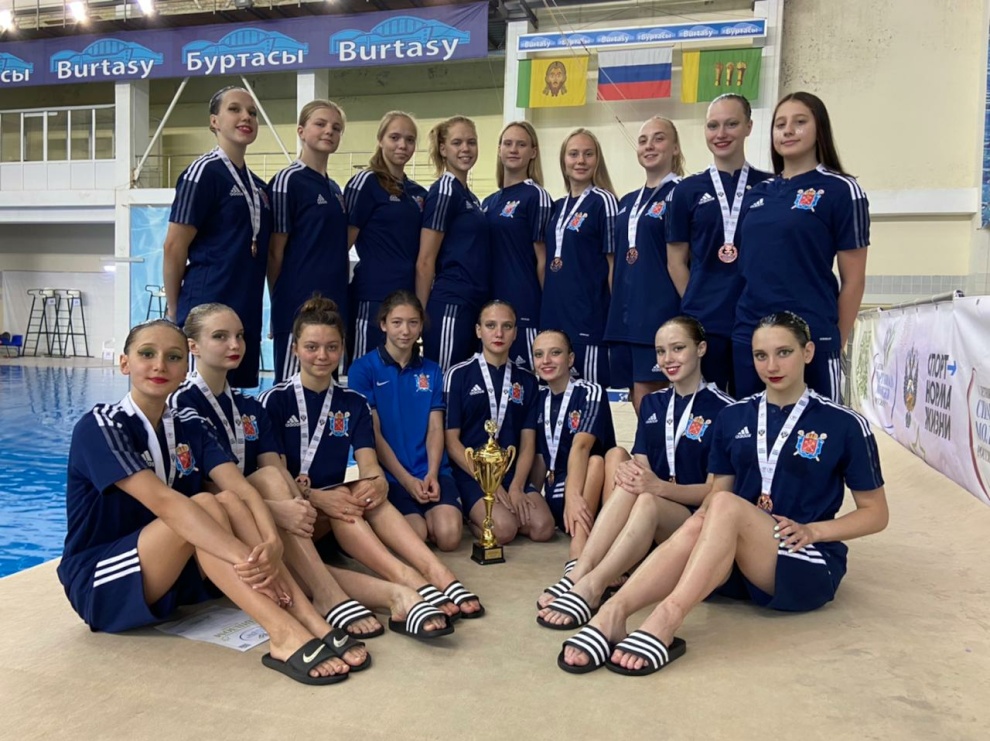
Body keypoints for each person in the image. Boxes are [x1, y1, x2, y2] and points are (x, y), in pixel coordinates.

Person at [557, 312, 888, 675]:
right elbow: (716, 497)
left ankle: (667, 617)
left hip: (803, 558)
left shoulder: (844, 424)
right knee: (710, 511)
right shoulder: (735, 417)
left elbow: (876, 513)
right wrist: (690, 520)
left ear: (807, 352)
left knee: (725, 505)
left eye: (784, 352)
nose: (771, 366)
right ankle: (612, 611)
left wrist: (815, 531)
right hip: (733, 561)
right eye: (761, 355)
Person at [57, 319, 367, 686]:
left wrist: (271, 544)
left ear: (185, 366)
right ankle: (282, 632)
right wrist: (249, 560)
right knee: (203, 504)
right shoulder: (102, 426)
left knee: (226, 500)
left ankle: (310, 618)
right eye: (147, 354)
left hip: (175, 574)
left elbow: (243, 490)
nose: (160, 365)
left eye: (173, 357)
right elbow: (167, 504)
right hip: (103, 581)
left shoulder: (189, 422)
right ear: (125, 363)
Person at [172, 302, 436, 640]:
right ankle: (351, 591)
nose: (235, 344)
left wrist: (298, 501)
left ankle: (400, 591)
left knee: (283, 485)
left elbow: (274, 469)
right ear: (193, 346)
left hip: (258, 519)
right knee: (292, 532)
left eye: (239, 336)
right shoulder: (182, 405)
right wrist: (278, 509)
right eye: (220, 337)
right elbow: (190, 491)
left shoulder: (247, 405)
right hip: (214, 529)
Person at [260, 296, 484, 632]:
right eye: (312, 347)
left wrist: (376, 483)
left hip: (331, 515)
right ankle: (406, 579)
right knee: (339, 499)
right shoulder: (273, 400)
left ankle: (435, 573)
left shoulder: (353, 403)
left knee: (361, 493)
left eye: (332, 347)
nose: (322, 356)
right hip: (291, 514)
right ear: (295, 349)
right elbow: (274, 475)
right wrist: (318, 497)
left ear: (342, 349)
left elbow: (369, 465)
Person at [537, 317, 732, 629]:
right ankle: (580, 572)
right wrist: (635, 473)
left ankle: (593, 585)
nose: (668, 359)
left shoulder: (726, 409)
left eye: (678, 348)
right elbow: (641, 466)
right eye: (661, 351)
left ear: (701, 349)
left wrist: (658, 487)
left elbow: (717, 493)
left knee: (647, 498)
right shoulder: (652, 403)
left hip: (696, 521)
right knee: (630, 478)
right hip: (654, 515)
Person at [732, 92, 870, 401]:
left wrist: (834, 339)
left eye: (799, 122)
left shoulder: (841, 190)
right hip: (751, 334)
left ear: (819, 128)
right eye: (780, 124)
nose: (788, 131)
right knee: (755, 426)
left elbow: (854, 280)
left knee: (816, 427)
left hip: (810, 334)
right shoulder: (757, 194)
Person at [163, 86, 271, 388]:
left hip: (244, 308)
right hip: (206, 306)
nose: (246, 117)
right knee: (196, 398)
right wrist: (176, 311)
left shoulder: (259, 187)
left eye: (252, 113)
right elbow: (173, 246)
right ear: (214, 121)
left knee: (232, 399)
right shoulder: (203, 173)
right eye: (234, 109)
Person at [666, 94, 773, 395]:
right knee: (707, 407)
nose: (721, 133)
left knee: (752, 404)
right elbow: (676, 260)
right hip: (705, 322)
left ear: (749, 126)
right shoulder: (686, 191)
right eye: (713, 126)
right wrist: (697, 302)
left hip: (756, 318)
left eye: (731, 124)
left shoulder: (770, 187)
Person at [347, 291, 464, 551]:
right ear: (383, 324)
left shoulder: (432, 370)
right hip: (391, 475)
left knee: (449, 537)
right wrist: (406, 480)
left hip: (430, 470)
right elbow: (373, 433)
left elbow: (436, 428)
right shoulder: (362, 369)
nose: (405, 330)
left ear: (421, 326)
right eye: (397, 322)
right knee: (416, 535)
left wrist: (432, 473)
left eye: (413, 323)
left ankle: (442, 511)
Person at [444, 301, 553, 545]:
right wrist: (488, 482)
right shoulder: (458, 374)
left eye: (507, 326)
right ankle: (471, 517)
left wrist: (516, 487)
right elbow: (451, 442)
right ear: (478, 330)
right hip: (471, 474)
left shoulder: (527, 380)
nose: (499, 333)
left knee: (543, 529)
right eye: (491, 325)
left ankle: (506, 510)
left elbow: (528, 443)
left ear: (515, 333)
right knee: (503, 531)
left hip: (511, 473)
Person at [267, 100, 351, 383]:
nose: (329, 131)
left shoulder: (335, 189)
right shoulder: (287, 181)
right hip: (297, 304)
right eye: (320, 124)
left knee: (327, 387)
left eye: (336, 128)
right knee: (292, 389)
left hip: (333, 304)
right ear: (301, 130)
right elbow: (274, 254)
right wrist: (280, 307)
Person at [606, 116, 685, 412]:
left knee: (651, 394)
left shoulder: (682, 193)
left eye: (659, 138)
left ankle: (659, 444)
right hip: (625, 315)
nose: (649, 145)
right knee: (634, 393)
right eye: (643, 140)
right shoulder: (627, 201)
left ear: (675, 148)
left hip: (658, 314)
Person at [530, 330, 615, 574]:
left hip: (588, 492)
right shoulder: (538, 397)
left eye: (555, 353)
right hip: (558, 495)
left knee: (599, 460)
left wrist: (573, 494)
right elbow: (539, 455)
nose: (546, 360)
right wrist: (532, 495)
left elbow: (582, 446)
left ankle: (579, 550)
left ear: (570, 359)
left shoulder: (590, 392)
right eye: (539, 355)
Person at [346, 112, 427, 360]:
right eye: (395, 137)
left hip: (407, 298)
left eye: (409, 140)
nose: (402, 145)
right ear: (380, 139)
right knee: (368, 371)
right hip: (372, 298)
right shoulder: (366, 183)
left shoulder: (418, 193)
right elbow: (341, 245)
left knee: (400, 370)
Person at [540, 128, 618, 387]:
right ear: (563, 160)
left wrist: (614, 320)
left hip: (589, 322)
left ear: (598, 159)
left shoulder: (603, 201)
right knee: (555, 397)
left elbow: (614, 266)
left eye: (588, 154)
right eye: (573, 154)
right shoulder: (556, 207)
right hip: (554, 320)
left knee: (591, 397)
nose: (580, 161)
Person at [416, 116, 491, 372]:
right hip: (451, 303)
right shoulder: (445, 190)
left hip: (473, 303)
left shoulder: (470, 196)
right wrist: (420, 315)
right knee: (446, 381)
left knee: (465, 383)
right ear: (443, 149)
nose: (465, 149)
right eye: (457, 143)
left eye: (471, 142)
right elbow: (425, 260)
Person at [482, 121, 552, 370]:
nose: (513, 149)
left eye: (521, 144)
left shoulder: (536, 196)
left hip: (524, 306)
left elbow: (543, 260)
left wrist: (546, 313)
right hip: (490, 306)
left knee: (525, 380)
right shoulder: (488, 202)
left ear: (533, 152)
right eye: (508, 143)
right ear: (499, 149)